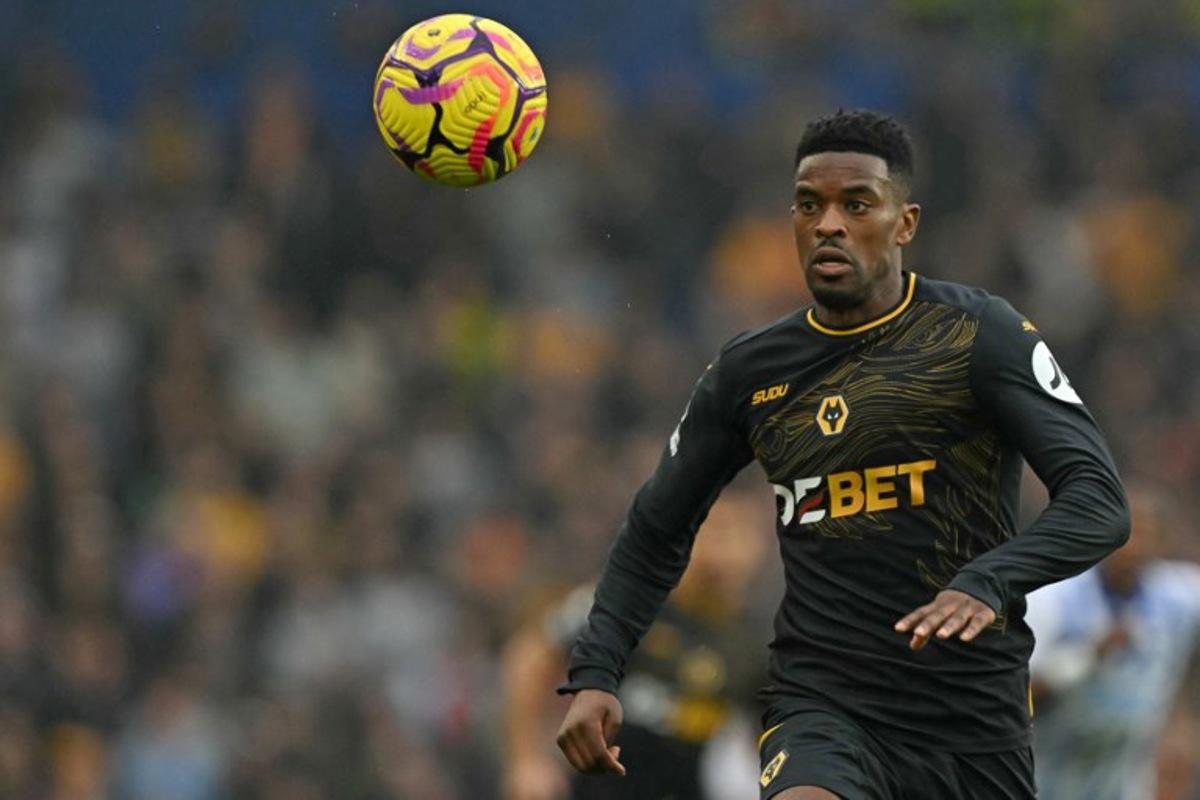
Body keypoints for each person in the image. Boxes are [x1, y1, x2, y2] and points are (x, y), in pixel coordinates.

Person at [553, 109, 1131, 800]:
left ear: (905, 224)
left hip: (973, 723)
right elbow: (655, 528)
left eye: (856, 205)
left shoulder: (978, 335)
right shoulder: (751, 371)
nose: (828, 223)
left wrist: (989, 579)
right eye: (809, 205)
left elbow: (1098, 500)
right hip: (822, 710)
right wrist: (596, 673)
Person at [503, 489, 770, 800]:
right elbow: (532, 653)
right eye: (716, 530)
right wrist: (525, 761)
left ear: (758, 545)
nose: (726, 550)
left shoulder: (755, 644)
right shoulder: (629, 604)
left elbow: (771, 739)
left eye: (740, 533)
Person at [1025, 486, 1200, 800]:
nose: (1134, 546)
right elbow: (1018, 699)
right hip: (1045, 774)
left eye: (1147, 534)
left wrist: (1185, 716)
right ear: (1102, 532)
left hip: (1119, 780)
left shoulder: (1175, 598)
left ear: (1163, 542)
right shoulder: (1052, 599)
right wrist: (1085, 658)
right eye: (1127, 533)